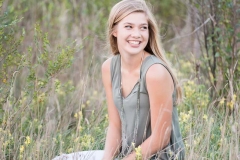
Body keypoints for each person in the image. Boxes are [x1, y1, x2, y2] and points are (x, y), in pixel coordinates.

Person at [101, 0, 185, 160]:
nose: (137, 34)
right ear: (114, 31)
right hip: (130, 156)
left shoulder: (155, 72)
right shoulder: (108, 68)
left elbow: (161, 138)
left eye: (143, 28)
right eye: (129, 27)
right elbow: (115, 127)